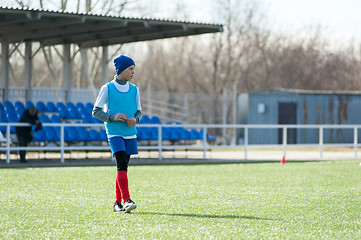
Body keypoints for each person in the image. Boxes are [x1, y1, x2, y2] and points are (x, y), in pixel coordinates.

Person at [92, 54, 142, 213]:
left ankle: (117, 203)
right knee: (121, 164)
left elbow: (139, 113)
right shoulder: (107, 88)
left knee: (123, 168)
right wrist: (112, 117)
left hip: (130, 133)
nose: (133, 72)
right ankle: (127, 199)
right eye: (131, 69)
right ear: (121, 70)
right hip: (114, 133)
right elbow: (96, 111)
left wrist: (135, 119)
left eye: (134, 69)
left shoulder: (135, 90)